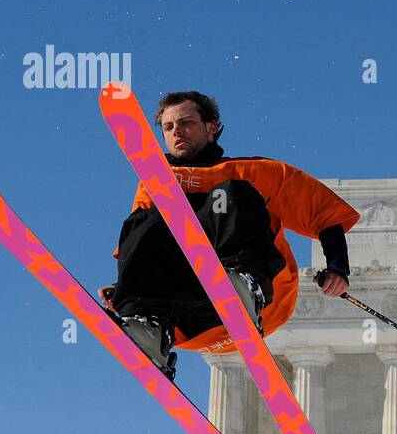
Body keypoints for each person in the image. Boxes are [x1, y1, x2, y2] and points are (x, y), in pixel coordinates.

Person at [97, 91, 360, 379]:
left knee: (229, 192)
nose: (177, 132)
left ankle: (242, 285)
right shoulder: (154, 184)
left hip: (264, 304)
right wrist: (124, 288)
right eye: (169, 128)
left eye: (186, 123)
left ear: (211, 127)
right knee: (148, 220)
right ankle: (148, 327)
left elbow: (323, 213)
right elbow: (140, 246)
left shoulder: (254, 171)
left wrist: (337, 267)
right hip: (191, 320)